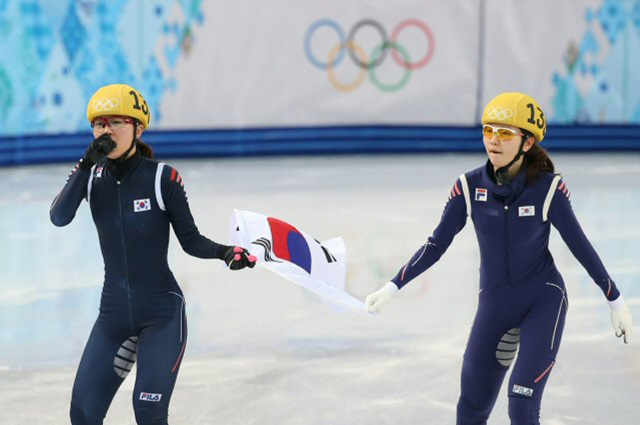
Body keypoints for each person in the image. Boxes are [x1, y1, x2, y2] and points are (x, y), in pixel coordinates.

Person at [364, 92, 633, 425]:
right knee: (471, 409)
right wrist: (392, 287)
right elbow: (436, 244)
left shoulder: (548, 189)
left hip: (542, 301)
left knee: (521, 404)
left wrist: (615, 300)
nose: (493, 140)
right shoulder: (468, 186)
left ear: (528, 141)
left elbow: (580, 245)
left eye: (505, 133)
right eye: (488, 130)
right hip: (494, 305)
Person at [50, 83, 257, 425]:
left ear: (138, 128)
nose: (106, 130)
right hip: (113, 316)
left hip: (162, 314)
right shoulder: (89, 176)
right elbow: (59, 217)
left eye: (117, 122)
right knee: (83, 414)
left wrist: (226, 253)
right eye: (100, 124)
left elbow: (191, 240)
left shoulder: (163, 178)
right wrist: (87, 164)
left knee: (148, 411)